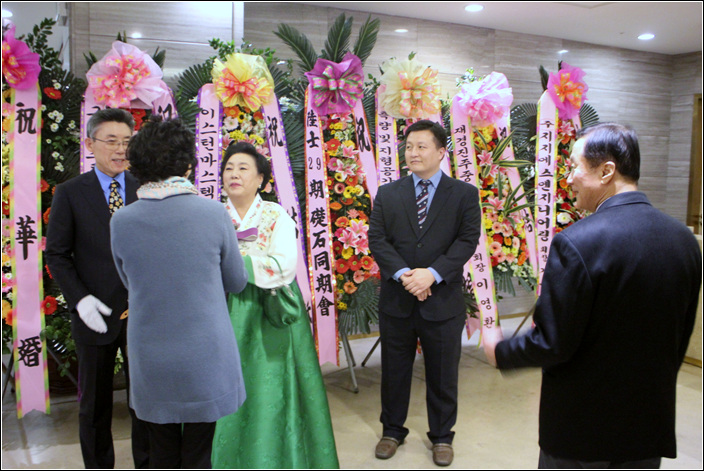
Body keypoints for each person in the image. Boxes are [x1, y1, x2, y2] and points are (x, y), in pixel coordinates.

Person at [483, 123, 702, 469]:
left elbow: (553, 342)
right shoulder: (683, 241)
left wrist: (500, 351)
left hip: (582, 435)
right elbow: (677, 340)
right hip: (646, 430)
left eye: (574, 166)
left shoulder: (577, 243)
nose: (569, 178)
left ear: (606, 171)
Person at [109, 116, 248, 468]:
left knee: (161, 450)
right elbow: (236, 281)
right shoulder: (213, 213)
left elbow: (128, 281)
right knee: (199, 453)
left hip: (150, 353)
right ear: (187, 164)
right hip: (205, 352)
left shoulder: (121, 221)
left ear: (138, 164)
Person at [210, 141, 339, 469]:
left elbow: (283, 266)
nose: (234, 174)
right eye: (229, 168)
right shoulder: (211, 216)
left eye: (243, 168)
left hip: (269, 311)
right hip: (221, 308)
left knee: (270, 388)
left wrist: (232, 262)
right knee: (222, 385)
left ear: (261, 180)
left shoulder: (275, 214)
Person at [368, 119, 482, 467]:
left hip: (443, 300)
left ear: (441, 151)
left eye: (421, 146)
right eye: (408, 147)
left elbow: (467, 240)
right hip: (398, 299)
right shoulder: (389, 193)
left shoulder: (464, 194)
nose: (413, 153)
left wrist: (431, 275)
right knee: (394, 371)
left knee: (443, 373)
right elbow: (378, 240)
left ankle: (442, 436)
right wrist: (406, 275)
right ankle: (392, 431)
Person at [45, 108, 149, 469]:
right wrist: (81, 300)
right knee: (94, 404)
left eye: (127, 141)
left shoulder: (145, 188)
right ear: (90, 144)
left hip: (142, 312)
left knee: (145, 401)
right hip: (95, 314)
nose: (120, 149)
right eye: (111, 141)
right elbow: (57, 254)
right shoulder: (70, 193)